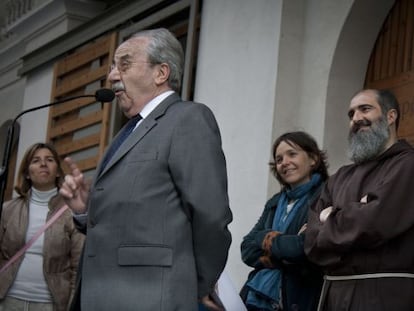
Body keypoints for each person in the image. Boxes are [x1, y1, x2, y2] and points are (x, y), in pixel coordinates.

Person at [59, 28, 232, 311]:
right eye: (113, 66)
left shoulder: (188, 119)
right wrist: (83, 210)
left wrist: (195, 286)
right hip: (97, 297)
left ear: (160, 73)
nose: (112, 75)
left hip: (153, 299)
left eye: (124, 64)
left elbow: (211, 217)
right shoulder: (125, 134)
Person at [305, 89, 414, 311]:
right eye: (351, 114)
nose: (356, 118)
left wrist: (331, 218)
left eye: (365, 109)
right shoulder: (339, 177)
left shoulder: (407, 165)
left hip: (384, 297)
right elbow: (311, 241)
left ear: (390, 116)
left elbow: (375, 222)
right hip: (334, 297)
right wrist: (356, 212)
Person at [240, 131, 329, 311]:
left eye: (292, 154)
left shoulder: (326, 196)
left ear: (313, 159)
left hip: (300, 297)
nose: (284, 163)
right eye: (279, 159)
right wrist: (285, 245)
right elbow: (247, 249)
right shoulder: (274, 203)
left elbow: (304, 249)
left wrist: (263, 238)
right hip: (258, 298)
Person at [0, 142, 84, 311]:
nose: (43, 164)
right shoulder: (7, 209)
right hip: (8, 299)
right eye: (36, 160)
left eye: (50, 159)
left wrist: (70, 306)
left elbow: (78, 267)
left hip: (49, 304)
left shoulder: (71, 212)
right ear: (27, 173)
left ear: (58, 171)